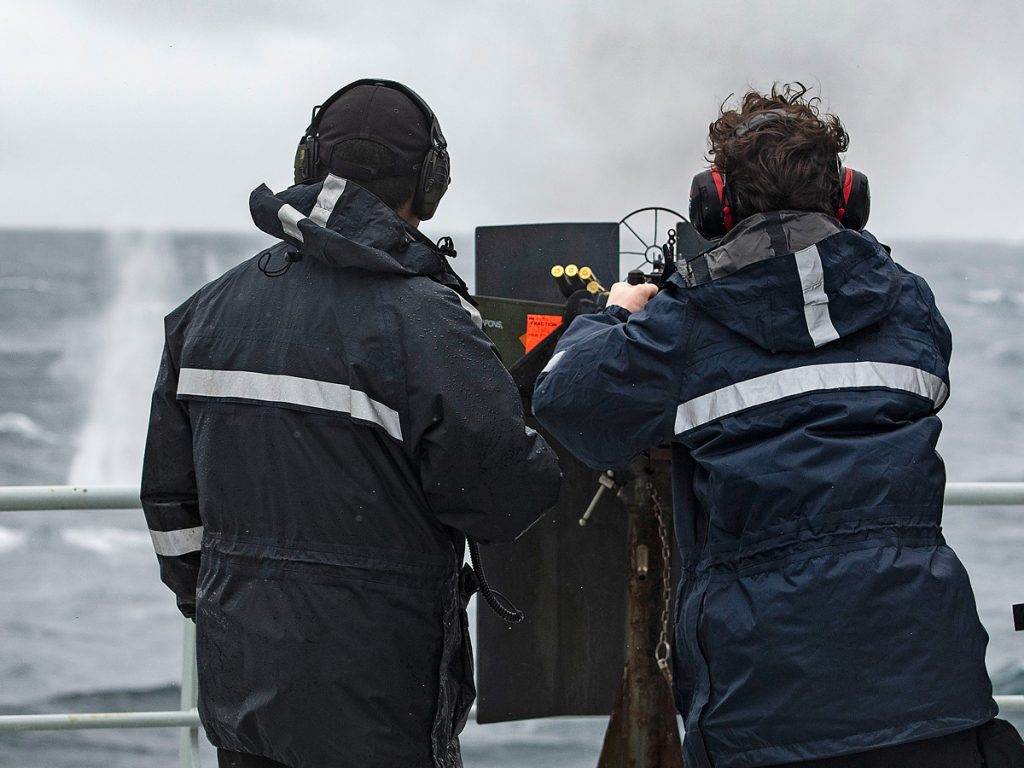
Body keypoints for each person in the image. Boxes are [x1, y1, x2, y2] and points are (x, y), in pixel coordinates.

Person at [533, 84, 1024, 767]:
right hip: (935, 690)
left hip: (767, 709)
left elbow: (565, 398)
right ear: (848, 198)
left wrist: (616, 313)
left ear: (715, 204)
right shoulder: (910, 304)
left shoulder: (684, 328)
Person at [141, 78, 561, 768]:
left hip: (245, 699)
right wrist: (536, 397)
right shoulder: (431, 325)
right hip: (382, 706)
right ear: (430, 186)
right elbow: (501, 496)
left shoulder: (203, 314)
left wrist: (229, 607)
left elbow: (169, 511)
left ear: (307, 163)